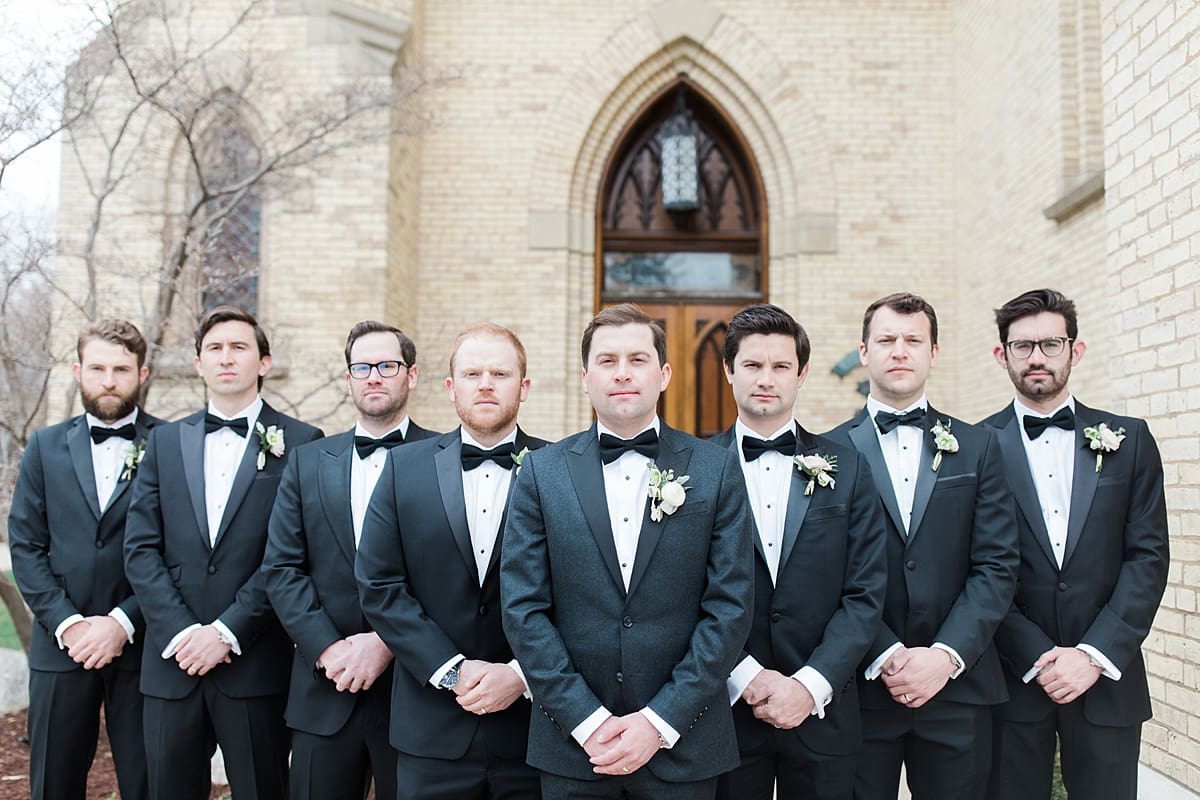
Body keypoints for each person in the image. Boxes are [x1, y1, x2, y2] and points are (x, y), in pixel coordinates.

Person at [501, 303, 755, 800]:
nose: (622, 373)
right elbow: (523, 609)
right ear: (585, 377)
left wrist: (660, 721)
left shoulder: (715, 469)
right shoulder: (539, 472)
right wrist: (585, 719)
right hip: (573, 748)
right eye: (607, 360)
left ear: (663, 375)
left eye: (637, 360)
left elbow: (730, 608)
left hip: (684, 746)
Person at [823, 292, 1017, 799]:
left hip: (958, 684)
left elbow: (996, 565)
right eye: (886, 340)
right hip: (860, 686)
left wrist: (946, 655)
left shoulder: (980, 446)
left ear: (934, 352)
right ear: (863, 352)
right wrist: (885, 652)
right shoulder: (825, 455)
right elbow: (823, 574)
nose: (900, 351)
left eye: (914, 340)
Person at [124, 305, 322, 800]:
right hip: (173, 663)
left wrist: (228, 631)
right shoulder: (163, 442)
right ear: (198, 363)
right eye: (214, 348)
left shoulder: (302, 444)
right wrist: (184, 632)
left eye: (239, 347)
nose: (226, 357)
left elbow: (291, 555)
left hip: (254, 664)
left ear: (264, 362)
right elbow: (141, 549)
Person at [982, 288, 1169, 800]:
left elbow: (1147, 558)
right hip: (1011, 681)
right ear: (1003, 355)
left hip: (1108, 678)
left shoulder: (1130, 441)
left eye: (1051, 343)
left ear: (1075, 350)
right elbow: (974, 569)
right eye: (1022, 346)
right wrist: (1038, 655)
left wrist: (1092, 654)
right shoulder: (974, 448)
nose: (1037, 357)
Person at [356, 323, 548, 799]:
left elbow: (580, 590)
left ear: (523, 387)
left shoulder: (559, 467)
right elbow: (379, 584)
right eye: (472, 373)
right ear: (450, 387)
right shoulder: (403, 469)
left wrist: (520, 675)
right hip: (430, 730)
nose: (485, 383)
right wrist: (450, 669)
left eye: (500, 373)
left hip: (533, 731)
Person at [708, 304, 886, 800]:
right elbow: (682, 591)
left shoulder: (848, 465)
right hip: (724, 715)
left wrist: (810, 684)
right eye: (752, 365)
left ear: (802, 374)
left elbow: (865, 592)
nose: (767, 379)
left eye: (781, 366)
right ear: (728, 370)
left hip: (824, 715)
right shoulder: (695, 469)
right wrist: (745, 676)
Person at [263, 321, 437, 800]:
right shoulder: (307, 461)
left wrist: (386, 642)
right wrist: (327, 650)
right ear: (349, 378)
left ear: (412, 375)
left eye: (387, 365)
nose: (374, 376)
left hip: (415, 691)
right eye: (362, 367)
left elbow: (453, 574)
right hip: (325, 690)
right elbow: (281, 568)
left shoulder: (445, 456)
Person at [9, 319, 162, 800]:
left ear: (143, 373)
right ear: (78, 371)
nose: (110, 380)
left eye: (121, 368)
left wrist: (121, 622)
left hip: (144, 643)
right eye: (98, 368)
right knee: (54, 781)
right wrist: (69, 625)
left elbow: (179, 552)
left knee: (149, 781)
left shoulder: (171, 444)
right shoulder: (44, 446)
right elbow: (26, 547)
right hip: (61, 645)